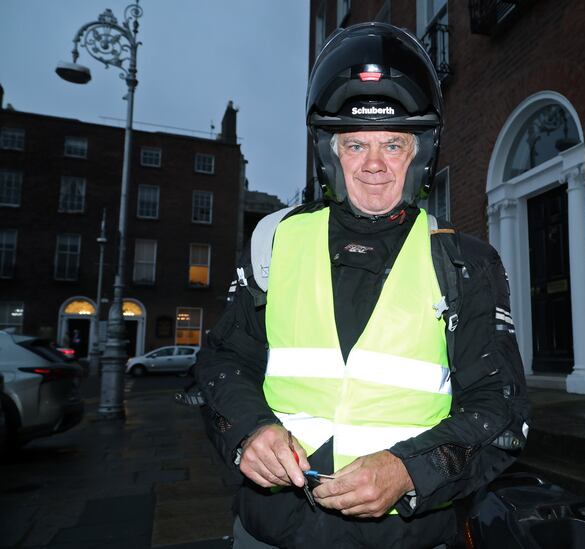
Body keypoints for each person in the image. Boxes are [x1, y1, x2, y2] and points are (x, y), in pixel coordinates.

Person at [196, 22, 530, 548]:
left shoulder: (466, 263)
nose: (374, 165)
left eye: (393, 144)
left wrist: (408, 471)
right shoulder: (272, 242)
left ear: (419, 153)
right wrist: (247, 433)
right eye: (355, 145)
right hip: (271, 532)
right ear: (331, 152)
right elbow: (221, 362)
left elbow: (500, 411)